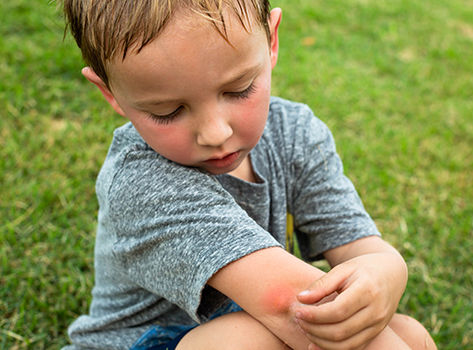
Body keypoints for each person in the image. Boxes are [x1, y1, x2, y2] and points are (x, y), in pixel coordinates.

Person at [61, 1, 437, 349]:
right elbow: (291, 307)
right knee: (248, 339)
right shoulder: (141, 182)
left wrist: (385, 269)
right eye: (167, 111)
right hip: (146, 343)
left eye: (239, 89)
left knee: (411, 336)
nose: (215, 133)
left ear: (271, 41)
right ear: (110, 92)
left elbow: (360, 244)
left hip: (249, 325)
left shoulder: (294, 133)